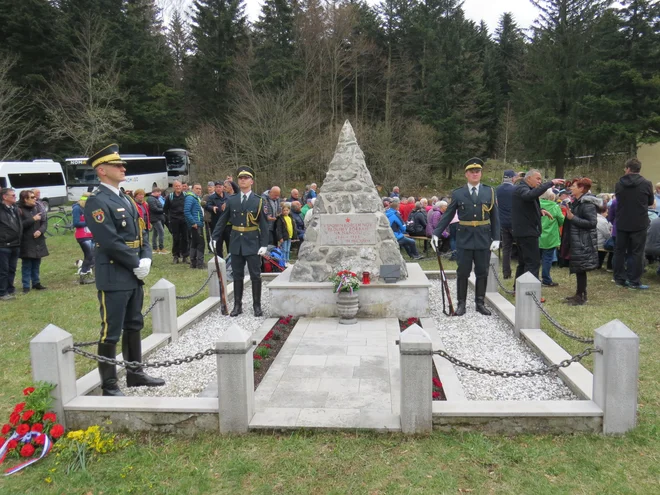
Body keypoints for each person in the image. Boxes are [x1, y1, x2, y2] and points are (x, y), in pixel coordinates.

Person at [83, 144, 164, 396]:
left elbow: (142, 232)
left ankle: (135, 373)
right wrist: (135, 262)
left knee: (134, 324)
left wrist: (147, 257)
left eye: (122, 165)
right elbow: (108, 240)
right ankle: (109, 384)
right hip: (114, 273)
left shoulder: (126, 198)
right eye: (117, 165)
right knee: (111, 330)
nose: (123, 168)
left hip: (133, 272)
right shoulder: (96, 201)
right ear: (102, 170)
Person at [431, 158, 500, 316]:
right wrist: (436, 233)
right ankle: (461, 303)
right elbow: (448, 215)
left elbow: (495, 216)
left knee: (482, 272)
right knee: (463, 272)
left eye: (478, 171)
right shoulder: (458, 193)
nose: (475, 174)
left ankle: (480, 303)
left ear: (481, 173)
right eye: (472, 172)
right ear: (466, 174)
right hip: (465, 238)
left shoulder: (489, 191)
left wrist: (496, 238)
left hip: (483, 237)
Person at [211, 165, 269, 317]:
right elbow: (222, 221)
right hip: (236, 241)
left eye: (246, 178)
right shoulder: (232, 200)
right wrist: (214, 237)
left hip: (253, 242)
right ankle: (237, 305)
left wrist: (264, 245)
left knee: (255, 275)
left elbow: (264, 224)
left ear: (252, 181)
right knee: (237, 275)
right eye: (240, 178)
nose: (242, 181)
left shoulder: (259, 201)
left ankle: (257, 305)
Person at [511, 169, 565, 285]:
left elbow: (525, 207)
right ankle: (530, 291)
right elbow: (529, 196)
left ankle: (518, 289)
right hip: (526, 232)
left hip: (523, 231)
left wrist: (540, 211)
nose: (540, 182)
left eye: (541, 179)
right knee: (533, 263)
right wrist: (550, 183)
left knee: (524, 262)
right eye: (538, 179)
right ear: (529, 178)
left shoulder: (525, 188)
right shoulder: (522, 188)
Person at [613, 158, 654, 289]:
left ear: (629, 169)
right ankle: (634, 281)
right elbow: (650, 202)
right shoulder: (647, 183)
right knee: (637, 252)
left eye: (625, 168)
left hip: (622, 221)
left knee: (619, 251)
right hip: (639, 222)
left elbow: (618, 200)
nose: (624, 170)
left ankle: (619, 279)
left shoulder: (619, 184)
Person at [561, 178, 600, 305]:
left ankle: (581, 296)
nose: (571, 188)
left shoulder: (587, 204)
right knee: (579, 268)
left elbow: (592, 223)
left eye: (574, 186)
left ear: (582, 188)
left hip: (583, 241)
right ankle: (579, 294)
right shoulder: (577, 202)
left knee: (581, 268)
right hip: (577, 240)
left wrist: (573, 218)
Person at [17, 190, 48, 293]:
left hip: (38, 240)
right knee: (27, 264)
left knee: (36, 263)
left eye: (35, 197)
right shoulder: (19, 210)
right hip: (26, 241)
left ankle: (36, 283)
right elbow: (19, 226)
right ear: (25, 199)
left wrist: (40, 230)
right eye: (32, 197)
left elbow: (44, 222)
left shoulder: (36, 207)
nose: (35, 198)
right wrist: (33, 219)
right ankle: (26, 286)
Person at [539, 190, 564, 287]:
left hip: (537, 234)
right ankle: (546, 279)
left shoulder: (536, 205)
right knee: (547, 259)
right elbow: (561, 220)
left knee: (535, 259)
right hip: (550, 236)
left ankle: (533, 278)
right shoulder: (555, 207)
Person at [0, 188, 21, 301]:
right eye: (12, 195)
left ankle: (9, 288)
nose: (15, 197)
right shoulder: (1, 210)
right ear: (5, 197)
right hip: (3, 245)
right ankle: (2, 292)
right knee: (3, 269)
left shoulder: (14, 209)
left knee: (12, 268)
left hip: (15, 243)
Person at [496, 170, 516, 279]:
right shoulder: (515, 189)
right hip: (514, 221)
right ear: (512, 178)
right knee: (520, 247)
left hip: (502, 222)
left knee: (506, 248)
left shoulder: (497, 189)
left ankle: (506, 273)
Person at [163, 180, 189, 264]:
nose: (178, 187)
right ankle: (175, 256)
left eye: (179, 186)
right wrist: (169, 219)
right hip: (174, 220)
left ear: (182, 186)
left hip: (184, 220)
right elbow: (165, 209)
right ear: (174, 187)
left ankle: (185, 256)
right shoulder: (169, 197)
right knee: (176, 238)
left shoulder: (186, 196)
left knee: (185, 238)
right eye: (176, 186)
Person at [72, 193, 95, 284]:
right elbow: (76, 223)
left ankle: (86, 272)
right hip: (82, 236)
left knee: (91, 255)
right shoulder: (77, 208)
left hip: (91, 235)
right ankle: (83, 274)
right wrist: (89, 222)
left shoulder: (88, 208)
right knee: (89, 255)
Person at [184, 183, 205, 269]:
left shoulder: (196, 198)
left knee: (194, 243)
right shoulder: (190, 198)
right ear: (192, 189)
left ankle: (193, 263)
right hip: (195, 224)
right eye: (197, 188)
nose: (199, 190)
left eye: (200, 189)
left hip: (197, 223)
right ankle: (199, 264)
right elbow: (186, 211)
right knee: (200, 243)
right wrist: (193, 222)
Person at [147, 187, 168, 254]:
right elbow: (154, 209)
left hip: (158, 218)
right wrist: (163, 210)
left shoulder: (155, 199)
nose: (159, 194)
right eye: (158, 192)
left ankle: (155, 248)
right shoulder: (151, 199)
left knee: (155, 233)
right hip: (155, 218)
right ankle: (161, 248)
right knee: (161, 232)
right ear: (154, 192)